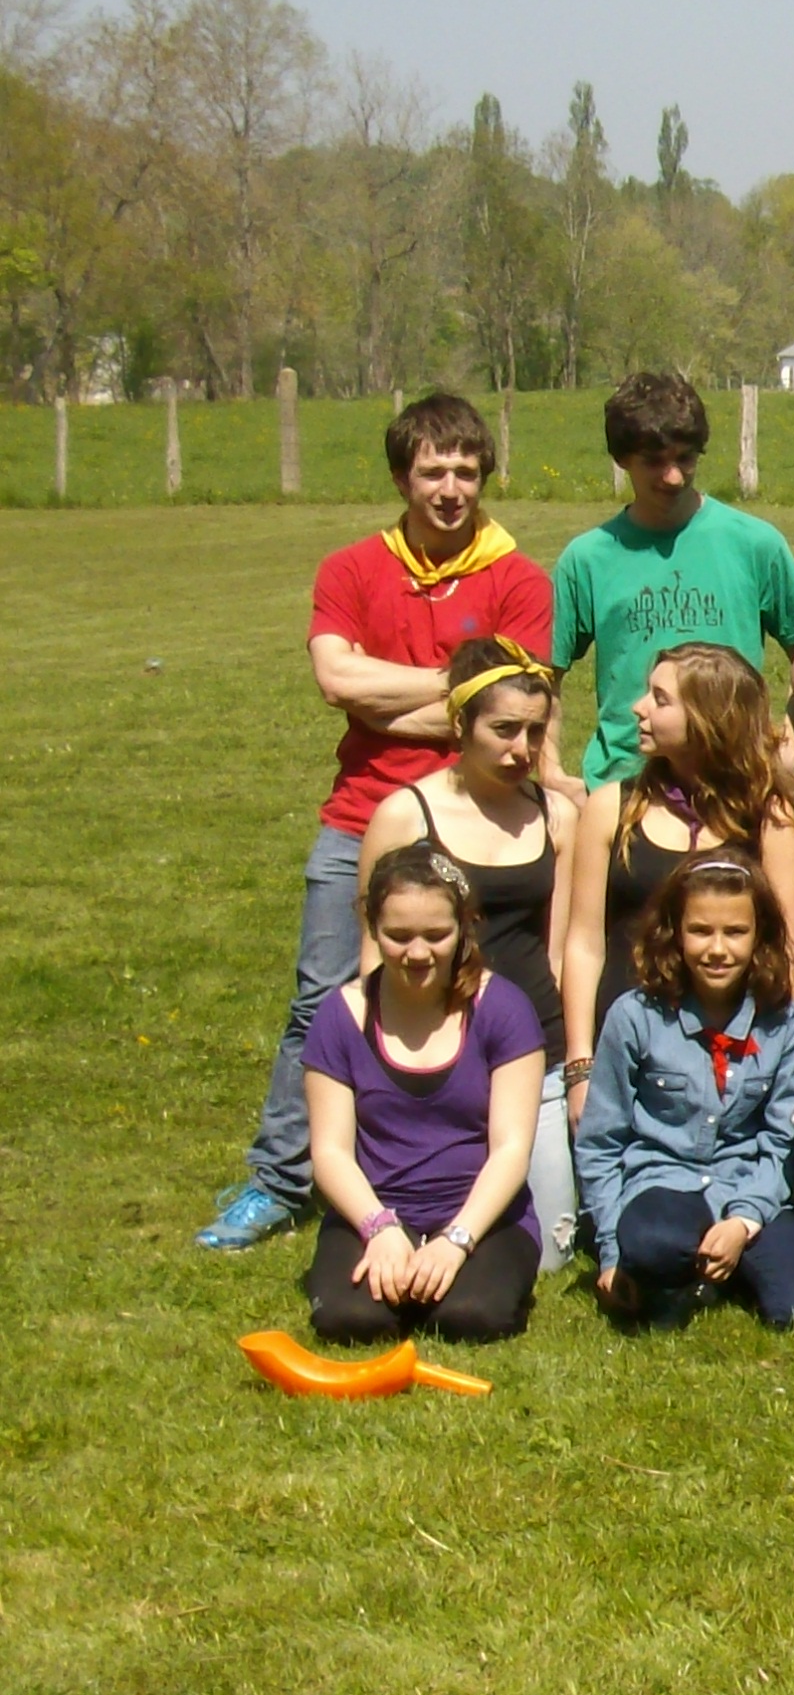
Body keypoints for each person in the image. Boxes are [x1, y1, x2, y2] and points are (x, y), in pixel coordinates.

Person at [205, 390, 552, 1252]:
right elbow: (337, 683)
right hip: (361, 818)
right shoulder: (352, 569)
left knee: (468, 1002)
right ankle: (284, 1177)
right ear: (402, 476)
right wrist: (458, 692)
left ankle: (448, 1164)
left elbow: (513, 708)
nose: (450, 488)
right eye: (432, 470)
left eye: (466, 471)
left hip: (480, 818)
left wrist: (389, 688)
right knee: (326, 1001)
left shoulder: (517, 577)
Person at [353, 638, 578, 1261]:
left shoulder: (556, 815)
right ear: (461, 724)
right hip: (433, 1049)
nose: (521, 750)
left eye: (535, 733)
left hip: (533, 1050)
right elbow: (373, 957)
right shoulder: (405, 815)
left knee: (552, 1252)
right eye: (504, 730)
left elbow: (561, 949)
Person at [560, 644, 794, 1155]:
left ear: (708, 718)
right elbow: (583, 943)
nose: (638, 708)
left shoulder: (767, 818)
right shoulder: (612, 808)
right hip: (625, 1042)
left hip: (730, 1046)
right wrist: (581, 1065)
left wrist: (778, 1063)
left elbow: (787, 952)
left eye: (659, 698)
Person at [574, 852, 794, 1330]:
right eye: (700, 931)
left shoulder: (786, 1024)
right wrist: (611, 1249)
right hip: (661, 1182)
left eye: (735, 933)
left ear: (760, 937)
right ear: (674, 932)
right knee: (653, 1244)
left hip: (747, 1186)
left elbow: (784, 1142)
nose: (718, 949)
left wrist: (743, 1222)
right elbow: (600, 1141)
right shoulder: (635, 1016)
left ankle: (715, 1269)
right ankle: (671, 1267)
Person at [299, 845, 547, 1346]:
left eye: (437, 936)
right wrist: (379, 1227)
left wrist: (457, 1241)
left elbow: (511, 1149)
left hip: (482, 1215)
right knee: (350, 1322)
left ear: (464, 929)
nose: (417, 953)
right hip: (377, 1208)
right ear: (371, 928)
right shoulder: (340, 1016)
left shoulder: (504, 1009)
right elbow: (328, 1152)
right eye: (398, 936)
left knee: (470, 1317)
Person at [550, 370, 794, 790]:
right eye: (654, 462)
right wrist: (549, 768)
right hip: (625, 783)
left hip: (736, 781)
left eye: (685, 458)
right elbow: (544, 674)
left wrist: (790, 743)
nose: (673, 476)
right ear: (621, 459)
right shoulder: (587, 559)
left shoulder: (754, 544)